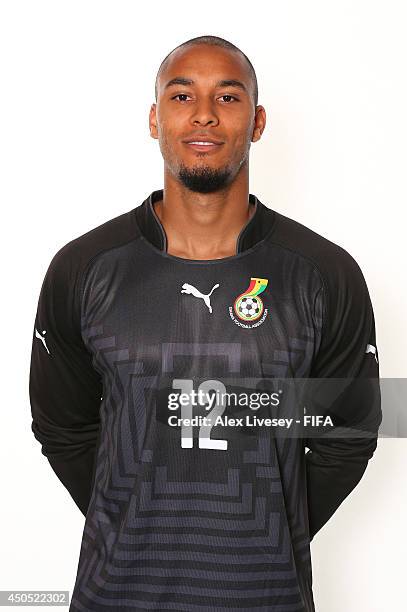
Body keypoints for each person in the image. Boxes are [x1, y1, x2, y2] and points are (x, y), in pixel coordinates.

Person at [29, 35, 382, 612]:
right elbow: (63, 428)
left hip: (265, 596)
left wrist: (268, 528)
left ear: (258, 120)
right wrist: (133, 515)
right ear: (154, 119)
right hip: (117, 595)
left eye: (228, 97)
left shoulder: (324, 272)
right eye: (181, 95)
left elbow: (349, 435)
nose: (204, 115)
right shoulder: (83, 267)